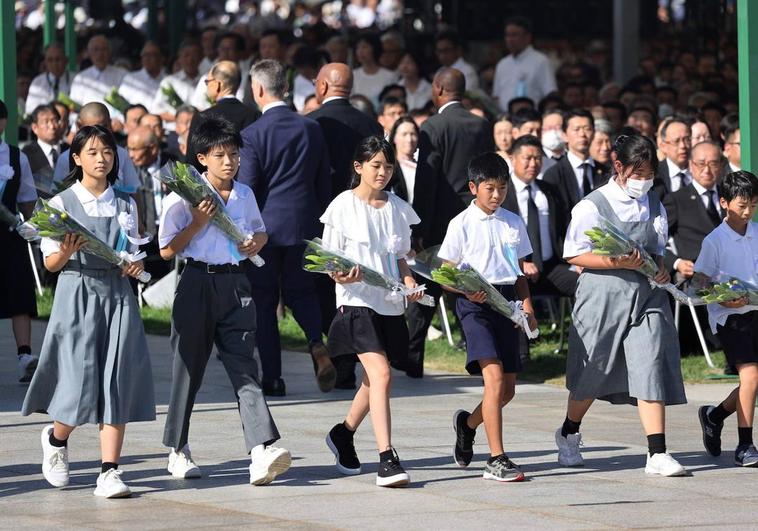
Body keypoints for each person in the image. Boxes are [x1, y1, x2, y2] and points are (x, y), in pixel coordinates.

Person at [21, 125, 155, 497]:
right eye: (93, 152)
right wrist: (66, 249)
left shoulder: (126, 202)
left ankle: (109, 470)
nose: (102, 159)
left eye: (108, 152)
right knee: (79, 380)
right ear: (76, 159)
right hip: (76, 290)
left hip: (118, 294)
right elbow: (50, 264)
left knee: (117, 378)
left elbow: (134, 252)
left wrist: (132, 265)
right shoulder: (61, 204)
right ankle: (56, 438)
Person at [158, 116, 291, 485]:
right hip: (197, 282)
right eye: (220, 155)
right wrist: (197, 222)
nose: (230, 161)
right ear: (202, 158)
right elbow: (166, 251)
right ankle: (178, 448)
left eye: (234, 154)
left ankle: (261, 449)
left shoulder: (245, 194)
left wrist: (253, 245)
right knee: (188, 368)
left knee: (245, 366)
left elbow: (260, 233)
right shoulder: (182, 196)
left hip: (237, 285)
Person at [555, 134, 687, 477]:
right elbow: (572, 252)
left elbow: (658, 247)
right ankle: (569, 430)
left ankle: (657, 452)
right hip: (603, 296)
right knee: (592, 371)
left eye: (650, 173)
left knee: (651, 362)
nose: (644, 180)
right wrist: (615, 261)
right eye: (638, 172)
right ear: (619, 167)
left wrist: (661, 266)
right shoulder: (592, 205)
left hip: (647, 295)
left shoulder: (654, 201)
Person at [323, 136, 421, 488]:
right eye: (376, 165)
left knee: (373, 378)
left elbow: (400, 258)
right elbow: (329, 261)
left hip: (389, 303)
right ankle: (387, 458)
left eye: (388, 166)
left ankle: (344, 433)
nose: (382, 172)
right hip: (355, 302)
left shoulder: (396, 207)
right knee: (381, 375)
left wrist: (409, 283)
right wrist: (339, 273)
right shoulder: (342, 206)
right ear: (358, 167)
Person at [239, 59, 334, 397]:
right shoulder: (311, 128)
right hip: (303, 223)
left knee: (265, 301)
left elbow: (246, 187)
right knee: (302, 292)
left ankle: (273, 378)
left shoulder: (252, 135)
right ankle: (316, 343)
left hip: (264, 227)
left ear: (259, 90)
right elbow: (323, 181)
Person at [441, 152, 537, 482]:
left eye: (502, 189)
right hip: (475, 306)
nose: (496, 195)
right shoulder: (461, 224)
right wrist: (465, 292)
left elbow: (520, 272)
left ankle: (467, 426)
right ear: (473, 188)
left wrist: (528, 307)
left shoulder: (513, 221)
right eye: (489, 188)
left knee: (507, 390)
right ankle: (496, 458)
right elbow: (444, 274)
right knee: (493, 380)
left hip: (506, 304)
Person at [409, 67, 494, 378]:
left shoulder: (433, 125)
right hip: (474, 215)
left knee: (427, 288)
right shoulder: (481, 125)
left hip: (441, 220)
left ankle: (413, 357)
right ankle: (482, 354)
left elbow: (427, 179)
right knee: (472, 286)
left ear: (438, 88)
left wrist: (418, 226)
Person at [308, 62, 384, 388]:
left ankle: (338, 357)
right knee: (357, 290)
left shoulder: (311, 124)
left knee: (326, 289)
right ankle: (353, 363)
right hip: (363, 216)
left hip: (322, 215)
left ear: (322, 86)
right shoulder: (371, 124)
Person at [694, 171, 758, 467]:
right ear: (724, 203)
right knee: (751, 376)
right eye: (742, 205)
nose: (747, 212)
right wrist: (724, 299)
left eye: (753, 205)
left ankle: (714, 415)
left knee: (754, 381)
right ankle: (745, 444)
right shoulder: (714, 240)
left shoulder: (756, 233)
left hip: (755, 312)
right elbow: (700, 281)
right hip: (730, 318)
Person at [504, 135, 576, 297]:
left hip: (551, 267)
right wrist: (519, 263)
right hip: (514, 268)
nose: (533, 164)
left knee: (587, 283)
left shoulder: (549, 190)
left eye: (537, 158)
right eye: (527, 158)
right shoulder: (502, 193)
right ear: (512, 159)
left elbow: (564, 228)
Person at [0, 100, 39, 383]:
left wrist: (34, 227)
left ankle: (25, 355)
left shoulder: (16, 156)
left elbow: (27, 200)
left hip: (9, 234)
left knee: (19, 292)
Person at [186, 60, 259, 171]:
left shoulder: (202, 118)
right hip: (247, 184)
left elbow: (191, 164)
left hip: (209, 186)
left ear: (217, 84)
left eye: (207, 82)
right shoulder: (254, 115)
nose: (207, 86)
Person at [53, 103, 140, 194]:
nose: (98, 134)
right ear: (79, 125)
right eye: (91, 129)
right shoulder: (65, 159)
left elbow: (134, 191)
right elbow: (56, 192)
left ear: (110, 123)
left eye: (103, 127)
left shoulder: (122, 154)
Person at [544, 109, 607, 223]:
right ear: (564, 135)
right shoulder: (553, 175)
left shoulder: (605, 172)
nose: (582, 134)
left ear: (593, 132)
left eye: (587, 129)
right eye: (576, 129)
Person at [492, 17, 556, 112]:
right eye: (507, 35)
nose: (510, 39)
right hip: (505, 119)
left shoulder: (541, 61)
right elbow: (496, 97)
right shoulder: (502, 64)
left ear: (527, 37)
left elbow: (550, 93)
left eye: (514, 35)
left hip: (532, 119)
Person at [69, 35, 128, 122]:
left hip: (117, 125)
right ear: (89, 53)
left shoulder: (123, 75)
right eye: (96, 50)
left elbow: (128, 106)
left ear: (109, 52)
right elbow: (74, 109)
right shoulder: (81, 79)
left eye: (104, 49)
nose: (100, 54)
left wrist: (120, 120)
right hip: (89, 127)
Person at [153, 40, 203, 129]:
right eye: (186, 55)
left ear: (201, 58)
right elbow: (156, 111)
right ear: (179, 58)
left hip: (201, 132)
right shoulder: (169, 82)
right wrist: (183, 119)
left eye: (194, 55)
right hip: (174, 132)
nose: (190, 60)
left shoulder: (207, 81)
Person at [25, 43, 73, 116]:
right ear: (45, 62)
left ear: (66, 60)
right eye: (50, 60)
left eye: (58, 59)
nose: (54, 64)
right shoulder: (37, 82)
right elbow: (30, 110)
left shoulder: (76, 80)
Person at [118, 41, 165, 112]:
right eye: (145, 55)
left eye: (152, 55)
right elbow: (121, 104)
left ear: (161, 58)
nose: (147, 58)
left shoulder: (168, 80)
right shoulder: (131, 78)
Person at [352, 34, 397, 105]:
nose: (360, 51)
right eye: (358, 48)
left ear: (375, 48)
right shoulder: (353, 75)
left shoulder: (390, 76)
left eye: (364, 47)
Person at [23, 104, 66, 177]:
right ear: (35, 128)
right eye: (46, 122)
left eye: (54, 120)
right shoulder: (26, 155)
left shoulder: (70, 150)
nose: (52, 126)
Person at [653, 116, 692, 197]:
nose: (683, 146)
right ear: (663, 146)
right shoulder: (654, 175)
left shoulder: (701, 171)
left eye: (687, 139)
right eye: (676, 141)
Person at [388, 116, 419, 203]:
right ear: (394, 137)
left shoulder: (424, 167)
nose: (409, 139)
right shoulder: (389, 167)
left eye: (413, 134)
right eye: (404, 134)